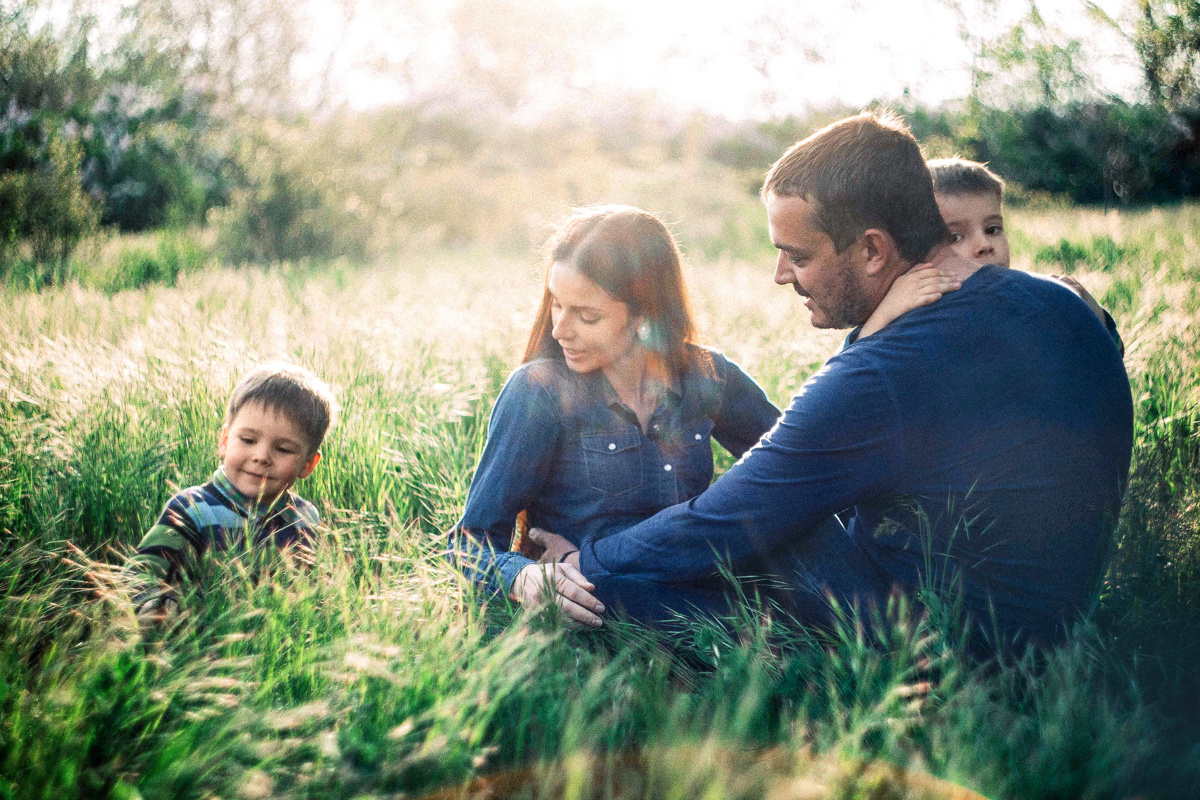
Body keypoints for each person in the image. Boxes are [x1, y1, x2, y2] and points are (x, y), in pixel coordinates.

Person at [539, 112, 1133, 650]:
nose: (780, 275)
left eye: (797, 255)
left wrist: (586, 561)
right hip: (1057, 630)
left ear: (873, 249)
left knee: (630, 586)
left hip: (937, 650)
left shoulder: (881, 373)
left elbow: (728, 520)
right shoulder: (1069, 307)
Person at [446, 206, 782, 627]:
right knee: (621, 591)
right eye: (557, 305)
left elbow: (794, 466)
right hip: (604, 601)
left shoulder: (707, 377)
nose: (560, 331)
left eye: (588, 316)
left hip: (701, 579)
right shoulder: (539, 391)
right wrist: (524, 577)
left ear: (646, 314)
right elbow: (469, 543)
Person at [130, 362, 336, 619]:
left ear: (307, 464)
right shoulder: (192, 509)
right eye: (248, 440)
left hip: (273, 648)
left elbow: (314, 589)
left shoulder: (304, 517)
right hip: (199, 646)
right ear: (225, 441)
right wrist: (158, 609)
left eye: (283, 449)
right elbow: (140, 574)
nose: (261, 456)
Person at [926, 157, 1124, 355]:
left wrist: (1094, 316)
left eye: (992, 230)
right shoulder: (920, 313)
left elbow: (1109, 361)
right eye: (956, 237)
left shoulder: (1031, 301)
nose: (985, 245)